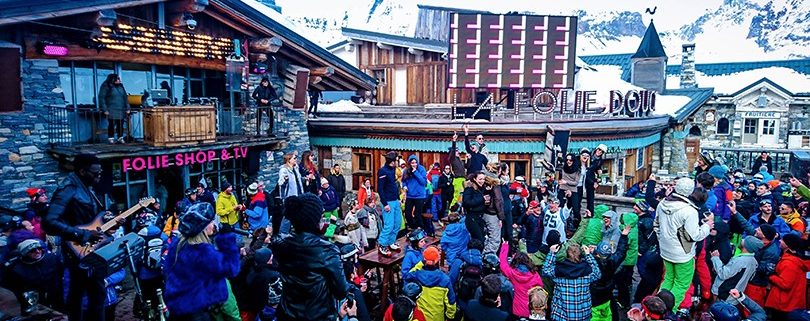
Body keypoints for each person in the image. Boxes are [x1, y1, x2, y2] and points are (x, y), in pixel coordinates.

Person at [41, 154, 109, 321]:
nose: (99, 176)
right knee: (85, 294)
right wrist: (82, 234)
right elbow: (49, 222)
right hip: (77, 249)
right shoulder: (68, 188)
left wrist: (106, 221)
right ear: (82, 171)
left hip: (88, 248)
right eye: (95, 173)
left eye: (100, 172)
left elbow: (87, 220)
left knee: (93, 292)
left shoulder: (86, 187)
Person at [272, 194, 350, 321]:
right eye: (321, 215)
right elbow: (341, 291)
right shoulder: (327, 251)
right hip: (317, 315)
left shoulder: (281, 244)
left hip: (287, 313)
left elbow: (276, 237)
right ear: (314, 220)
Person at [163, 202, 240, 321]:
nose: (213, 224)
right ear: (202, 227)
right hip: (198, 314)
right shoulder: (204, 253)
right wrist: (227, 240)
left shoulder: (176, 246)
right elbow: (232, 269)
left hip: (176, 311)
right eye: (210, 222)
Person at [655, 178, 714, 311]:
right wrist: (707, 226)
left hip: (666, 250)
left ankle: (656, 306)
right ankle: (668, 311)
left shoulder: (663, 203)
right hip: (683, 254)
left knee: (668, 280)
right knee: (681, 285)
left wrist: (664, 240)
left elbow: (657, 226)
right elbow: (695, 236)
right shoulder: (689, 211)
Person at [542, 243, 601, 321]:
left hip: (561, 315)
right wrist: (588, 255)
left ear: (566, 254)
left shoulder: (558, 270)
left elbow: (545, 270)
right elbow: (597, 273)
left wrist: (552, 253)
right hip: (583, 314)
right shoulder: (587, 270)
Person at [2, 239, 64, 312]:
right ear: (25, 253)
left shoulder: (51, 258)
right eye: (32, 250)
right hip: (33, 298)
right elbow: (14, 287)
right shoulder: (16, 268)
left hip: (54, 293)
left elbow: (60, 272)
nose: (37, 251)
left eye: (39, 248)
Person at [764, 233, 810, 319]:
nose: (780, 241)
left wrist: (771, 275)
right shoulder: (794, 259)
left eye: (782, 240)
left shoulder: (789, 263)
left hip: (783, 303)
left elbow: (785, 284)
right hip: (790, 302)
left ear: (788, 245)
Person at [405, 246, 456, 321]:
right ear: (437, 260)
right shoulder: (445, 279)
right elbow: (450, 301)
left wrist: (421, 263)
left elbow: (407, 275)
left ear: (424, 259)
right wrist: (450, 316)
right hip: (437, 317)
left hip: (420, 317)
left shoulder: (417, 275)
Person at [498, 241, 543, 318]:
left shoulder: (512, 273)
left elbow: (502, 263)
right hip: (530, 310)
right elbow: (540, 288)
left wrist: (505, 246)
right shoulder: (535, 276)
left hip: (516, 309)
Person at [463, 172, 503, 254]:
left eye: (484, 179)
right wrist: (482, 198)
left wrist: (489, 192)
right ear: (474, 179)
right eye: (480, 179)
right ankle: (474, 259)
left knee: (480, 240)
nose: (482, 181)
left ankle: (476, 258)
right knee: (479, 240)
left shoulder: (482, 189)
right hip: (472, 218)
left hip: (480, 218)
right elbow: (466, 202)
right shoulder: (469, 189)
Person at [236, 247, 279, 321]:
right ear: (268, 260)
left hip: (246, 303)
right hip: (254, 307)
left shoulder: (251, 268)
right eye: (271, 256)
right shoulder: (270, 276)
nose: (272, 256)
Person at [378, 152, 403, 256]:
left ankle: (391, 242)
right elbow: (380, 189)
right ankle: (382, 244)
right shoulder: (382, 171)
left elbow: (393, 186)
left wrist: (398, 199)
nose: (398, 161)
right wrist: (385, 204)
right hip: (388, 202)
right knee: (389, 225)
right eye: (397, 160)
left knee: (398, 223)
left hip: (395, 201)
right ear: (392, 162)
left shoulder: (393, 169)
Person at [98, 74, 128, 144]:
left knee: (120, 124)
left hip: (121, 109)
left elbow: (125, 98)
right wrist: (104, 109)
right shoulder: (106, 86)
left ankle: (120, 137)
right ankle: (111, 138)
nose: (119, 80)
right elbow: (101, 98)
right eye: (117, 79)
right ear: (113, 79)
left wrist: (127, 107)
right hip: (111, 109)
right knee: (112, 124)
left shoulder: (121, 86)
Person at [402, 154, 429, 232]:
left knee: (418, 214)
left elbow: (423, 182)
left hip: (419, 195)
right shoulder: (406, 170)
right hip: (410, 195)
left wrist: (416, 172)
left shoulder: (421, 169)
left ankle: (420, 228)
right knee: (407, 213)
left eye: (415, 162)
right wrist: (404, 186)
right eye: (412, 163)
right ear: (409, 163)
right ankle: (412, 227)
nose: (414, 164)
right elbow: (404, 181)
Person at [449, 134, 468, 207]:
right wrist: (454, 141)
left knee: (461, 197)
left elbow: (467, 166)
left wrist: (468, 159)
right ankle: (451, 212)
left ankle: (458, 212)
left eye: (458, 151)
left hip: (463, 179)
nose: (458, 152)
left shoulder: (459, 160)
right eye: (457, 151)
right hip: (458, 179)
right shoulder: (452, 159)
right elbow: (453, 151)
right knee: (457, 197)